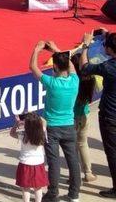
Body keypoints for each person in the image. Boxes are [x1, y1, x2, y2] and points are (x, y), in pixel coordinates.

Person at [29, 40, 80, 202]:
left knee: (54, 162)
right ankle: (74, 194)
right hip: (69, 126)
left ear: (55, 67)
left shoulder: (52, 83)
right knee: (73, 160)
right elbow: (70, 66)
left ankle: (53, 193)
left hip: (52, 127)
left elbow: (33, 68)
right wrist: (57, 50)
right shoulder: (74, 81)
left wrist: (37, 50)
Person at [79, 30, 116, 197]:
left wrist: (86, 45)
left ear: (109, 50)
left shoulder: (108, 67)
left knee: (112, 152)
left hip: (110, 115)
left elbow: (85, 67)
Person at [70, 52, 98, 183]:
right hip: (84, 115)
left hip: (71, 118)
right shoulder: (90, 79)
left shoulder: (72, 82)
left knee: (71, 148)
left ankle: (73, 177)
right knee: (83, 144)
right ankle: (88, 173)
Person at [9, 112, 48, 202]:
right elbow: (45, 121)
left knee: (26, 189)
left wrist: (17, 123)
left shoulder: (23, 135)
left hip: (25, 164)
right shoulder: (42, 133)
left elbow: (11, 133)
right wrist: (36, 117)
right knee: (38, 188)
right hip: (38, 164)